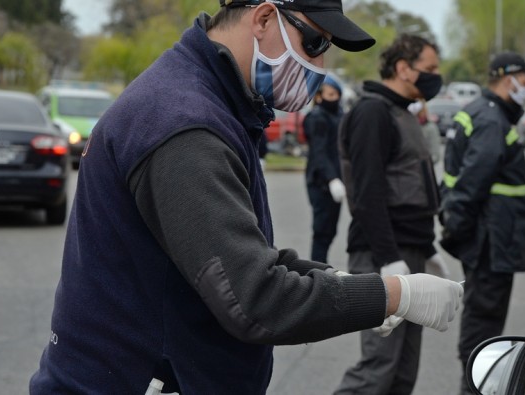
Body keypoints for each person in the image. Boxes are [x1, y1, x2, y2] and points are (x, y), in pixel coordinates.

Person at [29, 1, 463, 393]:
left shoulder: (209, 101)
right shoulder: (185, 124)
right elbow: (253, 298)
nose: (320, 63)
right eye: (314, 41)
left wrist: (343, 283)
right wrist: (395, 295)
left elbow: (238, 253)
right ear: (263, 18)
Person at [335, 34, 451, 395]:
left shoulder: (402, 113)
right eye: (429, 69)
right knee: (378, 368)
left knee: (403, 371)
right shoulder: (373, 113)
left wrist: (427, 249)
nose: (435, 77)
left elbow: (411, 187)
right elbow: (367, 195)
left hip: (408, 253)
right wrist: (388, 259)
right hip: (383, 257)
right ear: (403, 68)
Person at [439, 51, 525, 393]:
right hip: (491, 242)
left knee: (483, 319)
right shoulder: (492, 120)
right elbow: (471, 184)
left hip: (489, 239)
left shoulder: (483, 114)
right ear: (507, 78)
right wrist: (458, 231)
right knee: (484, 325)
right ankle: (475, 386)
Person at [304, 77, 345, 263]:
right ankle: (318, 272)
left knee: (329, 231)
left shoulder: (339, 115)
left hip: (335, 181)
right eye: (329, 94)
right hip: (321, 182)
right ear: (319, 96)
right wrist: (332, 179)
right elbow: (319, 152)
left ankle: (321, 268)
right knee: (321, 231)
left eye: (335, 94)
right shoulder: (318, 117)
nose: (333, 98)